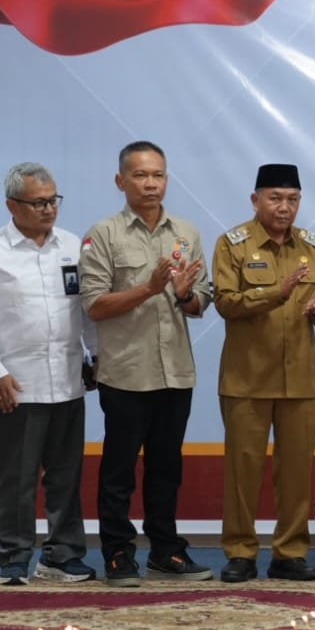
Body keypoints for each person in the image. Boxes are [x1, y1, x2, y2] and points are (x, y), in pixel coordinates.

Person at [0, 162, 100, 586]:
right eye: (38, 202)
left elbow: (88, 312)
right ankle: (15, 556)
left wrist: (97, 356)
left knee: (65, 473)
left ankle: (61, 554)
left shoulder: (73, 246)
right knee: (17, 477)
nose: (48, 209)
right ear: (12, 205)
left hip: (68, 380)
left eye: (53, 200)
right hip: (14, 385)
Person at [80, 141, 212, 586]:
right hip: (126, 370)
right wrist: (150, 287)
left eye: (157, 175)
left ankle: (166, 551)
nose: (150, 183)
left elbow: (202, 301)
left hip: (175, 368)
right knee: (118, 471)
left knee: (166, 468)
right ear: (121, 181)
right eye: (140, 175)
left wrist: (185, 295)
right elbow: (95, 305)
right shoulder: (104, 234)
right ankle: (118, 554)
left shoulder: (187, 233)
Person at [213, 163, 315, 583]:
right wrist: (276, 292)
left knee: (297, 471)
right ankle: (240, 551)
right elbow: (227, 303)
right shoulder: (233, 244)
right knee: (242, 471)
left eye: (292, 200)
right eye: (275, 198)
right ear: (256, 199)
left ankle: (289, 552)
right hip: (247, 378)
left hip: (299, 379)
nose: (284, 208)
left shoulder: (313, 247)